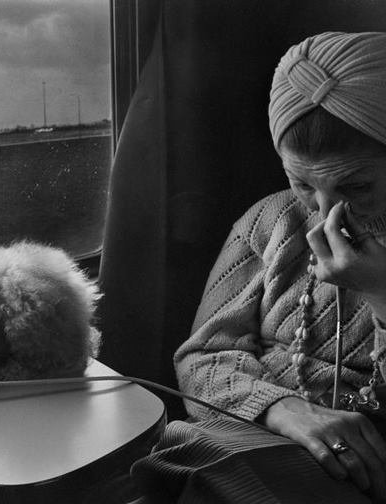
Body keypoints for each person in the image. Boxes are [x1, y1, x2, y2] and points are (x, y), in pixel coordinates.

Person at [126, 32, 386, 503]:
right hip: (252, 435)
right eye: (301, 184)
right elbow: (202, 359)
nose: (328, 214)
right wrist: (284, 409)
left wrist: (380, 294)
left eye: (359, 185)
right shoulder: (270, 222)